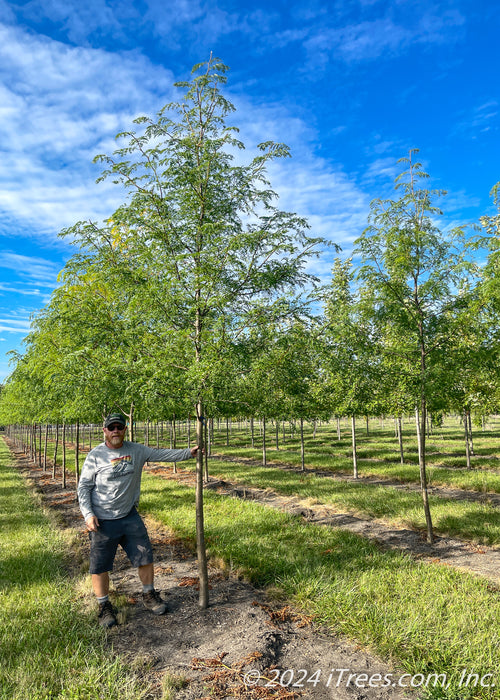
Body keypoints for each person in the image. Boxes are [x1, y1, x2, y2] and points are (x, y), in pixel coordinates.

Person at [77, 412, 200, 628]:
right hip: (103, 520)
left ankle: (149, 594)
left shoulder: (137, 450)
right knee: (100, 565)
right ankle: (104, 606)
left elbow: (162, 454)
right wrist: (88, 514)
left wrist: (188, 453)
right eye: (111, 427)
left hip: (129, 515)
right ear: (104, 431)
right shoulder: (95, 456)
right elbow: (84, 487)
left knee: (144, 555)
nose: (116, 431)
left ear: (125, 429)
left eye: (119, 427)